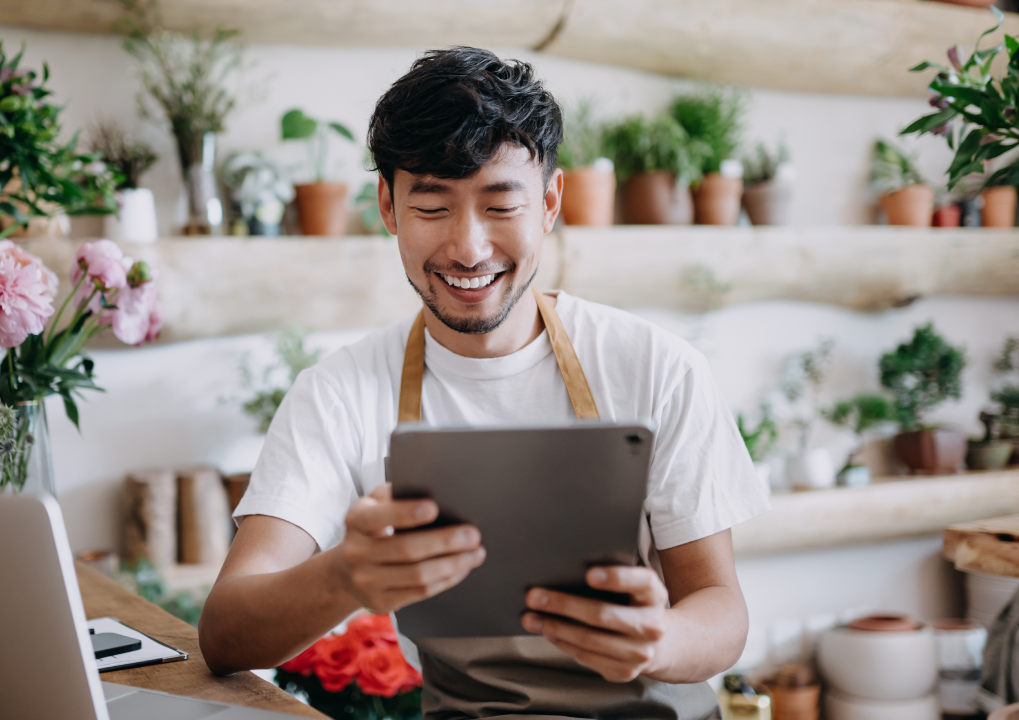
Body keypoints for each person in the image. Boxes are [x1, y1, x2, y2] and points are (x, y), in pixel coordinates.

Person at [198, 47, 770, 720]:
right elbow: (224, 632)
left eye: (501, 205)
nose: (468, 248)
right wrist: (344, 574)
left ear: (550, 202)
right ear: (387, 205)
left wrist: (659, 639)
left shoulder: (655, 367)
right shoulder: (339, 393)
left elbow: (722, 611)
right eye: (433, 207)